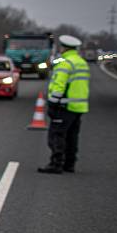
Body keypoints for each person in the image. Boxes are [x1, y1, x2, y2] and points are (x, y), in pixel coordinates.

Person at [38, 34, 90, 174]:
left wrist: (53, 103)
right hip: (79, 106)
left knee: (57, 135)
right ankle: (69, 164)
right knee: (72, 136)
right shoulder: (81, 62)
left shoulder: (65, 63)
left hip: (64, 106)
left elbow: (59, 85)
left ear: (63, 47)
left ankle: (56, 164)